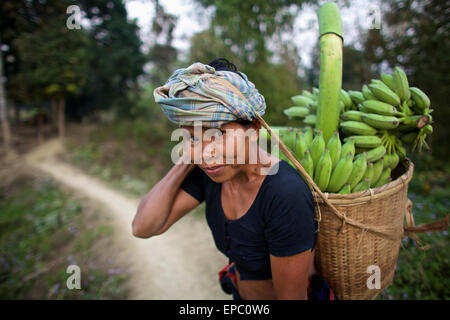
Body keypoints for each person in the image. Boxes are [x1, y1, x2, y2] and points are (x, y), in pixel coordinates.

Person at [132, 58, 334, 300]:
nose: (207, 154)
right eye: (192, 137)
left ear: (255, 129)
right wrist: (190, 157)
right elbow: (144, 227)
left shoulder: (283, 193)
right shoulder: (211, 171)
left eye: (219, 134)